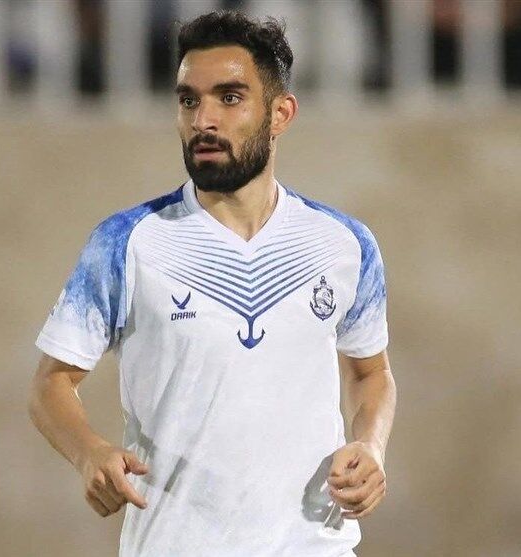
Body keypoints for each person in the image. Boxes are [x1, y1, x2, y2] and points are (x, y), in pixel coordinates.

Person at [28, 11, 396, 557]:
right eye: (188, 100)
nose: (203, 120)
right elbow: (50, 384)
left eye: (229, 98)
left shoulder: (344, 243)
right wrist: (89, 453)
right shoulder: (127, 242)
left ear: (280, 113)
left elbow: (371, 373)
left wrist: (370, 445)